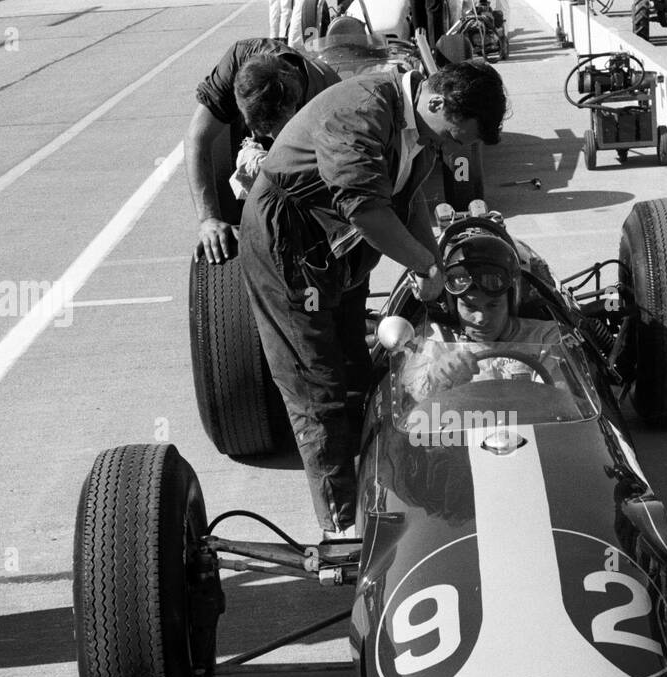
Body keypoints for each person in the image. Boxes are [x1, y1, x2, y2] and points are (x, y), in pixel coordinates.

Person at [238, 60, 508, 539]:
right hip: (289, 243)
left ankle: (381, 487)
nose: (457, 150)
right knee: (316, 386)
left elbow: (409, 200)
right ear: (437, 101)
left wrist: (432, 261)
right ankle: (344, 528)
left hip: (335, 249)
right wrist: (423, 265)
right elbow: (364, 209)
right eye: (456, 136)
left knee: (358, 373)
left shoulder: (419, 128)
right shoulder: (361, 111)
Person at [184, 40, 339, 264]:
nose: (263, 134)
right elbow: (196, 138)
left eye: (272, 131)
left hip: (319, 152)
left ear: (293, 108)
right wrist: (209, 220)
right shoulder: (236, 63)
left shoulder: (327, 97)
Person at [402, 228, 563, 400]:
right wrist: (436, 376)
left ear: (511, 301)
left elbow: (562, 400)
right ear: (453, 304)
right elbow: (412, 403)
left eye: (493, 305)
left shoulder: (547, 337)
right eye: (470, 307)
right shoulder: (434, 339)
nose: (481, 319)